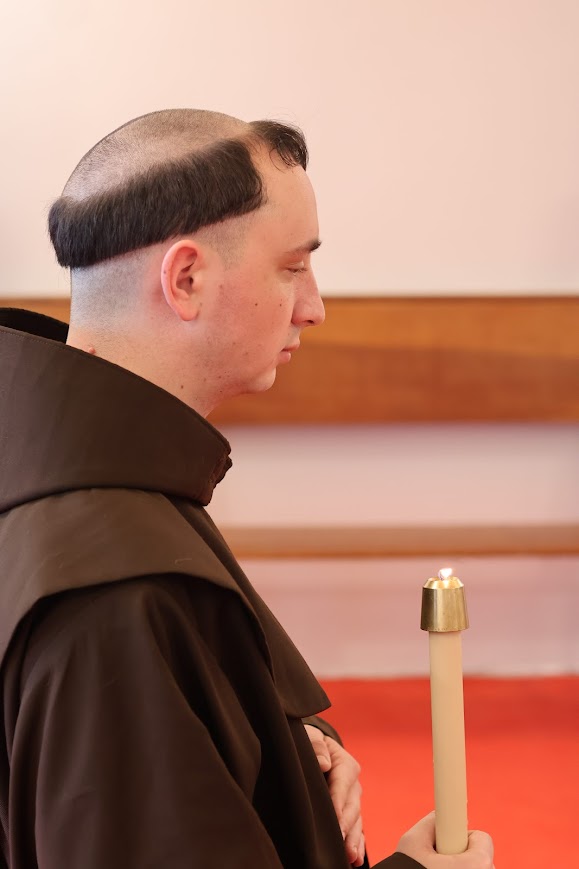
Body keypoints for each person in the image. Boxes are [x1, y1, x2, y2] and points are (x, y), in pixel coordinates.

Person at [0, 109, 494, 869]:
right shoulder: (116, 597)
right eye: (293, 268)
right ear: (187, 279)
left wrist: (281, 739)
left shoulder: (62, 463)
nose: (314, 306)